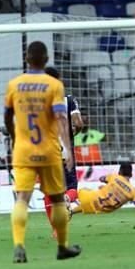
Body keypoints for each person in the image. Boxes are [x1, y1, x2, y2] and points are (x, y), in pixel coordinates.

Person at [4, 41, 81, 263]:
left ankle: (19, 244)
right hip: (48, 149)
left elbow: (8, 117)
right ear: (46, 60)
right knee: (57, 198)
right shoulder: (53, 85)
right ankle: (62, 246)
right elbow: (61, 119)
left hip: (23, 149)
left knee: (22, 199)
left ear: (27, 59)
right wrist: (67, 149)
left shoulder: (14, 84)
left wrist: (15, 139)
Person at [42, 66, 84, 228]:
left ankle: (55, 229)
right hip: (65, 152)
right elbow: (79, 123)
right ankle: (66, 199)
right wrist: (74, 132)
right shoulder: (69, 99)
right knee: (72, 187)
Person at [69, 162, 135, 215]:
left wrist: (109, 184)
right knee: (91, 202)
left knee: (79, 191)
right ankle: (70, 211)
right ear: (131, 174)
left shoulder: (114, 177)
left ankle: (66, 202)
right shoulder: (133, 191)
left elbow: (101, 178)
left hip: (90, 199)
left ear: (120, 171)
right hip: (101, 211)